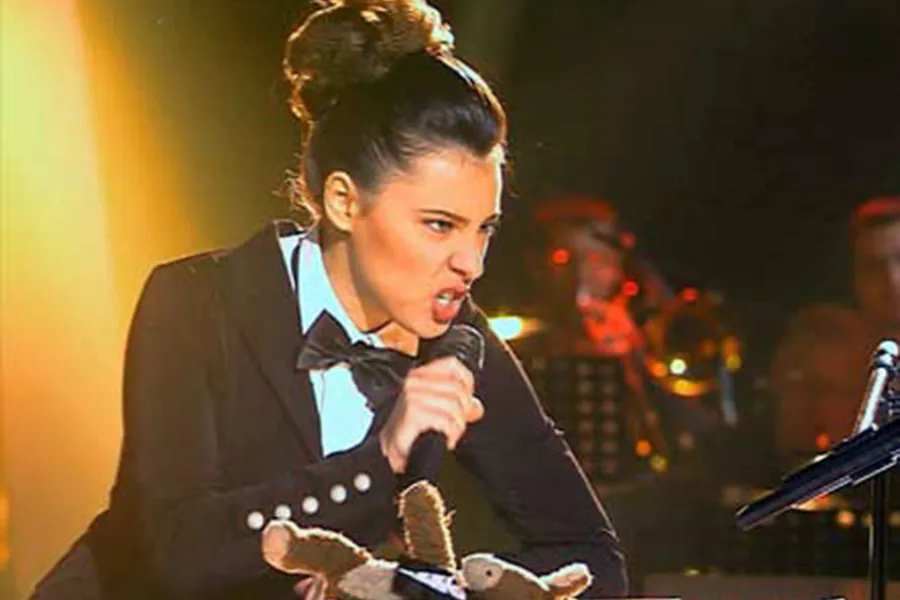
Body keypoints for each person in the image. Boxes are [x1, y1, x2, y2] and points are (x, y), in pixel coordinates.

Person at [30, 1, 627, 599]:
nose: (471, 262)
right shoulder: (196, 303)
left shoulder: (458, 342)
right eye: (440, 225)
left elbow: (591, 555)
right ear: (344, 201)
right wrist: (381, 459)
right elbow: (175, 552)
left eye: (484, 229)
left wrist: (413, 589)